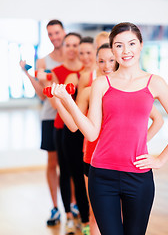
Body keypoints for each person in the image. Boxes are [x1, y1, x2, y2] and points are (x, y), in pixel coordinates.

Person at [50, 22, 168, 235]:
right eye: (119, 45)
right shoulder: (101, 84)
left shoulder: (155, 83)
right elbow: (91, 133)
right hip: (102, 176)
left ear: (141, 45)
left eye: (131, 43)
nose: (126, 51)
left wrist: (161, 159)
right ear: (112, 48)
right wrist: (66, 101)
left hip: (138, 177)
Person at [20, 19, 65, 226]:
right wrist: (28, 74)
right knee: (53, 163)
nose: (54, 36)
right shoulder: (43, 62)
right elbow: (42, 95)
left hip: (73, 117)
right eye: (50, 34)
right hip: (50, 117)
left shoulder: (75, 55)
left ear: (63, 32)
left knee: (72, 165)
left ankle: (73, 206)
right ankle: (55, 207)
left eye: (57, 32)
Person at [48, 32, 90, 235]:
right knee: (67, 173)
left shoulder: (92, 72)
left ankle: (86, 218)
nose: (75, 51)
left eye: (78, 47)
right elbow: (54, 100)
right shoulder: (66, 74)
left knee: (84, 175)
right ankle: (71, 216)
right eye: (71, 46)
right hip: (66, 126)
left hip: (87, 127)